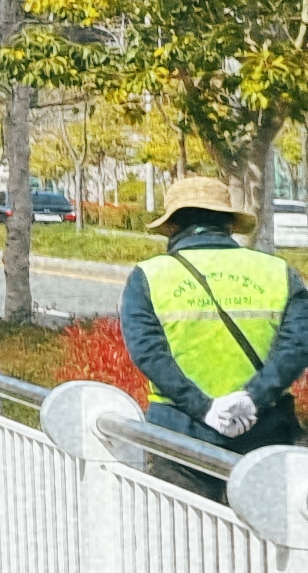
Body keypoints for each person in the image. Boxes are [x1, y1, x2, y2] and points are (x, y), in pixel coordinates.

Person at [121, 175, 308, 459]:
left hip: (178, 433)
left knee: (179, 505)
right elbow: (298, 345)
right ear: (229, 223)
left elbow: (147, 352)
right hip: (266, 434)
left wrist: (204, 408)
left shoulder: (148, 276)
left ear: (172, 226)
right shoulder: (278, 272)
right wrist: (252, 399)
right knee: (260, 504)